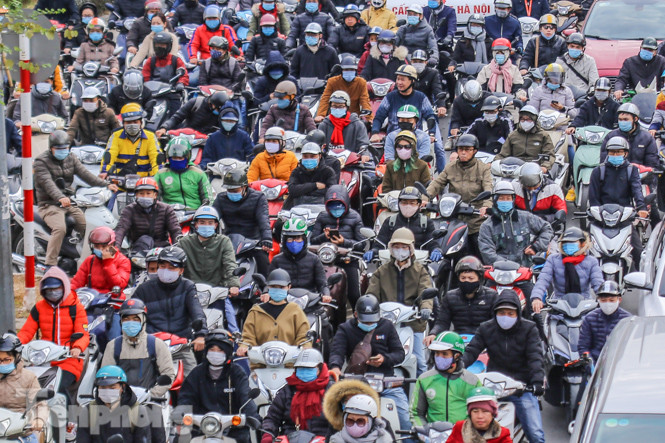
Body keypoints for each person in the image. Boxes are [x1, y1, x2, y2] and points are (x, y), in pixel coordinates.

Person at [462, 290, 545, 443]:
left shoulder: (529, 329)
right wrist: (458, 367)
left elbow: (535, 357)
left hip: (522, 388)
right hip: (494, 387)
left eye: (510, 313)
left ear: (518, 313)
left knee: (536, 435)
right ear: (495, 313)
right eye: (501, 312)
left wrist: (537, 382)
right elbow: (471, 351)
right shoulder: (486, 328)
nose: (505, 316)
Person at [328, 295, 409, 435]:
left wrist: (384, 359)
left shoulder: (387, 326)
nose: (369, 323)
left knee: (404, 420)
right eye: (365, 321)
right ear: (355, 315)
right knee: (336, 419)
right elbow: (337, 352)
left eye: (372, 320)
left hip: (385, 383)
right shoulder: (345, 329)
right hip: (355, 383)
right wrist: (335, 367)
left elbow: (399, 353)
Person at [34, 130, 116, 267]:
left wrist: (106, 184)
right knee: (60, 228)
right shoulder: (41, 162)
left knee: (84, 224)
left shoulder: (71, 157)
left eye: (65, 148)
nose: (62, 151)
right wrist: (60, 197)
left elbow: (85, 175)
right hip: (49, 204)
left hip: (69, 201)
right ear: (51, 148)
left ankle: (75, 251)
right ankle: (50, 264)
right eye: (58, 148)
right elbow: (48, 184)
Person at [366, 228, 433, 376]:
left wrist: (425, 308)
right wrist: (368, 308)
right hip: (386, 324)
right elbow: (371, 295)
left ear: (411, 249)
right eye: (396, 247)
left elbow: (426, 292)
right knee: (370, 357)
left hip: (413, 323)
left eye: (404, 247)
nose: (400, 250)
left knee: (420, 363)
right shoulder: (382, 271)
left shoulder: (420, 271)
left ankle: (421, 388)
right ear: (390, 249)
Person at [133, 246, 208, 375]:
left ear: (181, 270)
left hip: (180, 345)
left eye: (171, 268)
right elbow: (132, 315)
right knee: (136, 379)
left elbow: (197, 312)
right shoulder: (143, 290)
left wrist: (201, 335)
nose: (166, 270)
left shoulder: (187, 287)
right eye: (162, 266)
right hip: (151, 345)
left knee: (192, 379)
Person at [18, 267, 90, 397]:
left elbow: (83, 334)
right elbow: (26, 332)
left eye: (56, 289)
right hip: (42, 358)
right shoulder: (39, 307)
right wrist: (15, 344)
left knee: (60, 389)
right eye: (49, 290)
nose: (53, 292)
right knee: (24, 387)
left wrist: (77, 348)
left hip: (68, 360)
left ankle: (66, 410)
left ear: (64, 287)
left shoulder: (76, 307)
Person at [176, 330, 260, 442]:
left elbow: (245, 397)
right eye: (212, 349)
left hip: (233, 430)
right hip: (201, 429)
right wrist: (182, 415)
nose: (215, 353)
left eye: (220, 350)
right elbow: (186, 398)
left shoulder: (237, 373)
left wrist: (253, 418)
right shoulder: (196, 373)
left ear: (228, 352)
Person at [426, 134, 493, 256]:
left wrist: (486, 206)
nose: (463, 152)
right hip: (453, 218)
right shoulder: (450, 167)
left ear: (475, 151)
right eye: (460, 149)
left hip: (475, 219)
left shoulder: (483, 168)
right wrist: (424, 198)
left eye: (467, 150)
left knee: (481, 253)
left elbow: (488, 188)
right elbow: (437, 184)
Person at [177, 206, 240, 332]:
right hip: (190, 292)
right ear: (195, 224)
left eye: (210, 223)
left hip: (217, 291)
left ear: (216, 225)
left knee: (232, 326)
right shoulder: (184, 242)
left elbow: (230, 264)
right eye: (202, 222)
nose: (206, 225)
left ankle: (235, 339)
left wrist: (234, 284)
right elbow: (176, 264)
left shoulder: (224, 242)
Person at [590, 136, 648, 267]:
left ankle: (638, 276)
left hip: (624, 218)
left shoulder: (631, 170)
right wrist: (596, 213)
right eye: (612, 152)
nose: (615, 155)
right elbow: (593, 198)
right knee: (585, 248)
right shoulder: (598, 171)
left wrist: (641, 207)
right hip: (601, 219)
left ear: (625, 153)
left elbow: (637, 190)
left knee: (638, 252)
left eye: (618, 152)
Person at [102, 299, 175, 397]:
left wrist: (150, 395)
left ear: (143, 320)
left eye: (135, 319)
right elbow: (105, 377)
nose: (130, 322)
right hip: (119, 401)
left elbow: (168, 375)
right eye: (126, 319)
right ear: (121, 321)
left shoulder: (157, 344)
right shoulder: (113, 346)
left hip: (150, 400)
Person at [260, 348, 332, 441]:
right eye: (300, 368)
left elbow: (341, 422)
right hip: (290, 438)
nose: (304, 371)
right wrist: (268, 434)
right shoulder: (287, 390)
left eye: (309, 369)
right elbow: (272, 418)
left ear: (319, 368)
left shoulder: (332, 391)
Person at [311, 185, 364, 309]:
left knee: (354, 295)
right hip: (325, 261)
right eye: (332, 206)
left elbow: (361, 244)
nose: (335, 209)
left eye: (339, 205)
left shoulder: (355, 217)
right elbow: (313, 241)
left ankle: (357, 315)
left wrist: (344, 242)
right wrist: (324, 236)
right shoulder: (322, 217)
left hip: (347, 260)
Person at [412, 332, 482, 426]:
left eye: (445, 354)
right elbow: (416, 413)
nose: (439, 357)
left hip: (463, 433)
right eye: (437, 353)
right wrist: (424, 430)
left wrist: (468, 431)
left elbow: (480, 413)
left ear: (456, 356)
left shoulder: (472, 381)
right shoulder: (424, 380)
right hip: (433, 433)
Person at [236, 269, 311, 357]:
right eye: (273, 287)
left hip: (289, 362)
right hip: (261, 362)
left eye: (281, 287)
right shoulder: (256, 312)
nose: (277, 290)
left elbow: (303, 336)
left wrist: (305, 347)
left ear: (289, 287)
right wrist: (244, 346)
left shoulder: (295, 311)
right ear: (268, 287)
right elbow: (248, 337)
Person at [478, 181, 554, 267]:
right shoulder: (487, 226)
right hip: (499, 271)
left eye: (508, 198)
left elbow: (547, 228)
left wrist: (536, 247)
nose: (505, 201)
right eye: (501, 198)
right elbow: (487, 253)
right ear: (495, 200)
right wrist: (509, 266)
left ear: (513, 200)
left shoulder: (525, 217)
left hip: (525, 270)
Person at [212, 169, 273, 277]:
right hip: (229, 241)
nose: (232, 193)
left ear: (244, 187)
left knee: (264, 264)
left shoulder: (258, 198)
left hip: (253, 242)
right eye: (229, 190)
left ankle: (265, 285)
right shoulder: (221, 199)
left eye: (235, 190)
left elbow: (263, 220)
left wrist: (267, 239)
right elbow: (212, 218)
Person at [531, 227, 603, 313]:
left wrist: (603, 298)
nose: (568, 245)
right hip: (559, 307)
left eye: (572, 242)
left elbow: (598, 283)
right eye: (565, 242)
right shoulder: (553, 259)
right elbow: (543, 280)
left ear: (582, 243)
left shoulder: (591, 261)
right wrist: (536, 298)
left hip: (585, 308)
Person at [426, 256, 498, 338]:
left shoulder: (491, 296)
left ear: (479, 279)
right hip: (458, 339)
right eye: (463, 278)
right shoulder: (450, 297)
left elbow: (496, 324)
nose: (466, 281)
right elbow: (442, 322)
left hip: (484, 339)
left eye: (471, 278)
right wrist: (433, 334)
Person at [76, 366, 152, 443]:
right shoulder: (89, 411)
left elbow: (142, 439)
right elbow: (82, 439)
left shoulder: (137, 412)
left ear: (122, 387)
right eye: (103, 387)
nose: (107, 391)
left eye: (112, 388)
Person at [370, 65, 439, 147]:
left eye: (402, 80)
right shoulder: (390, 97)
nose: (399, 82)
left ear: (412, 81)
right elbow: (379, 117)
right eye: (398, 79)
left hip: (415, 141)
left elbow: (430, 116)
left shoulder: (421, 97)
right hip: (393, 141)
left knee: (438, 149)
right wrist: (375, 133)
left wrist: (432, 134)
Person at [0, 333, 48, 443]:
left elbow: (39, 404)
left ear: (17, 358)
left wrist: (39, 419)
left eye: (7, 359)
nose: (2, 364)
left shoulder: (28, 378)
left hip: (21, 434)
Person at [269, 217, 332, 298]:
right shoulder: (277, 260)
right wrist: (266, 293)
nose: (294, 242)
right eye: (290, 239)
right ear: (284, 240)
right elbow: (269, 283)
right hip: (284, 301)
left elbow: (322, 284)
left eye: (298, 238)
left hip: (310, 301)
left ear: (304, 239)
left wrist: (326, 295)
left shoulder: (314, 259)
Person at [114, 177, 182, 251]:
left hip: (161, 250)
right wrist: (115, 249)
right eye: (141, 193)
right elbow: (120, 229)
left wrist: (177, 250)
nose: (145, 196)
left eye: (148, 193)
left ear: (155, 195)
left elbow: (175, 231)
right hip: (138, 251)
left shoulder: (166, 209)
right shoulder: (129, 210)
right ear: (136, 195)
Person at [101, 103, 161, 178]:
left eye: (135, 122)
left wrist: (158, 177)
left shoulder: (150, 136)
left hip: (144, 181)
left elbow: (156, 158)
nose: (132, 125)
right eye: (128, 122)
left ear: (141, 122)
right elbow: (110, 154)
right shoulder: (116, 136)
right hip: (120, 180)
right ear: (123, 123)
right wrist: (105, 172)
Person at [578, 281, 631, 363]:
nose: (607, 303)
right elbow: (583, 347)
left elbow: (631, 347)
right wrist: (590, 364)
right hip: (595, 363)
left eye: (611, 300)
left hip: (618, 363)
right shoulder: (589, 319)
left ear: (619, 300)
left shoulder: (627, 320)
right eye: (603, 300)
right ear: (598, 300)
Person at [154, 136, 212, 210]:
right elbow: (154, 196)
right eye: (174, 158)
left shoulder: (198, 173)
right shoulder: (161, 174)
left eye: (180, 158)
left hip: (194, 212)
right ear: (168, 157)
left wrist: (203, 211)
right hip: (169, 212)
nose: (177, 160)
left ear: (188, 157)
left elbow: (208, 198)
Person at [495, 105, 556, 172]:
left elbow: (549, 155)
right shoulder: (513, 135)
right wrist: (494, 163)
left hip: (535, 169)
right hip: (515, 169)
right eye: (523, 119)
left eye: (528, 119)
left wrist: (544, 167)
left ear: (534, 120)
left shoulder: (543, 135)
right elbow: (503, 154)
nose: (525, 122)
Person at [142, 31, 190, 117]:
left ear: (169, 46)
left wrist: (180, 83)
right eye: (157, 45)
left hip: (171, 93)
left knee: (176, 114)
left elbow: (183, 74)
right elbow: (145, 77)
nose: (159, 47)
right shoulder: (150, 61)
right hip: (153, 94)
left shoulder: (176, 60)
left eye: (162, 45)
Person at [71, 227, 131, 293]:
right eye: (97, 246)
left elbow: (119, 285)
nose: (100, 249)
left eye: (104, 246)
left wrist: (108, 263)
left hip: (112, 298)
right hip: (92, 297)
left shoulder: (123, 261)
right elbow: (76, 283)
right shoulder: (90, 260)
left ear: (111, 245)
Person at [599, 103, 659, 168]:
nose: (622, 122)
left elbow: (652, 163)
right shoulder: (611, 136)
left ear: (635, 119)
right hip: (615, 172)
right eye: (620, 119)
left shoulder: (647, 138)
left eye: (626, 119)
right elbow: (604, 161)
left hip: (640, 173)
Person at [316, 56, 372, 123]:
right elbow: (325, 99)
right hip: (335, 117)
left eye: (351, 70)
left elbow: (365, 100)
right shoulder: (332, 81)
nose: (349, 72)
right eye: (346, 70)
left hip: (353, 118)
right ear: (342, 70)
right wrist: (321, 115)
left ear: (355, 71)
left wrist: (369, 118)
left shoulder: (361, 82)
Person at [447, 387, 513, 443]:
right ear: (470, 414)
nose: (480, 416)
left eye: (485, 411)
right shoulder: (460, 428)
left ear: (492, 413)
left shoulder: (502, 434)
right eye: (475, 411)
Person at [284, 142, 336, 209]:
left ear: (319, 156)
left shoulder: (328, 172)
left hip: (321, 208)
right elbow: (292, 190)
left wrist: (303, 191)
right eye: (305, 156)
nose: (309, 159)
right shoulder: (296, 172)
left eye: (312, 156)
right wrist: (314, 185)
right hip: (297, 208)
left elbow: (331, 192)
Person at [158, 91, 230, 136]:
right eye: (216, 108)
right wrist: (164, 128)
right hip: (187, 135)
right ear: (211, 103)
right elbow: (177, 117)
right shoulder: (195, 103)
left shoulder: (223, 112)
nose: (217, 111)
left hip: (206, 141)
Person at [411, 50, 447, 121]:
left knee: (434, 125)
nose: (417, 64)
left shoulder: (432, 73)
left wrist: (441, 106)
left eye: (421, 61)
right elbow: (398, 89)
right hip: (407, 108)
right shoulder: (406, 73)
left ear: (426, 62)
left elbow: (437, 89)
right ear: (411, 62)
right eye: (415, 61)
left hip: (427, 107)